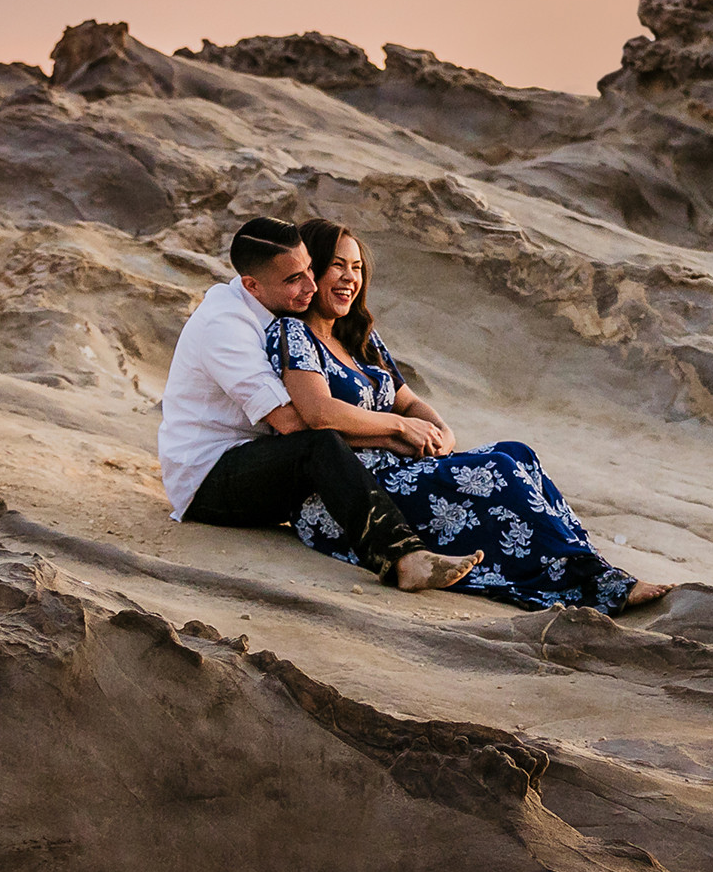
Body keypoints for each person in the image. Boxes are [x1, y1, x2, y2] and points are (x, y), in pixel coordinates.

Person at [265, 217, 671, 614]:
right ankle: (591, 581)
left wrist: (441, 430)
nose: (349, 278)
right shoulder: (293, 334)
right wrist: (401, 428)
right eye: (337, 265)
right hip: (353, 493)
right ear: (310, 271)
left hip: (403, 467)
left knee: (517, 453)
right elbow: (319, 415)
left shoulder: (359, 338)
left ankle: (589, 567)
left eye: (356, 267)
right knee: (496, 470)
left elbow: (407, 400)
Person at [158, 216, 477, 593]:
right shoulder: (226, 327)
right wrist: (393, 431)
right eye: (293, 279)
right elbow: (295, 423)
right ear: (252, 285)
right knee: (319, 446)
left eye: (310, 269)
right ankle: (403, 558)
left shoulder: (281, 314)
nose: (311, 286)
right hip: (208, 479)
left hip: (260, 456)